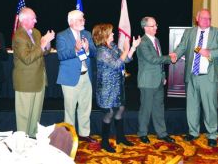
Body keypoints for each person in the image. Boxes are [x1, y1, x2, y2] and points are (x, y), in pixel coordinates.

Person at [171, 9, 218, 147]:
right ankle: (193, 132)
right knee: (192, 106)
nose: (207, 21)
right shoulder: (189, 32)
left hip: (208, 77)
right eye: (204, 18)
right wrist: (174, 55)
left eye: (209, 18)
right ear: (197, 18)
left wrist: (210, 52)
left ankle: (212, 135)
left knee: (210, 107)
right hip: (191, 75)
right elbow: (182, 47)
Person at [92, 23, 141, 152]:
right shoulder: (101, 51)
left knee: (121, 108)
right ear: (104, 35)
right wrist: (125, 50)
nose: (113, 34)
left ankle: (120, 137)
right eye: (111, 32)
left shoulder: (112, 46)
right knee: (110, 112)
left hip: (118, 84)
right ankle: (104, 142)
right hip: (106, 87)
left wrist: (133, 48)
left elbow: (126, 60)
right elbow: (116, 64)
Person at [12, 7, 55, 137]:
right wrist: (42, 44)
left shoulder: (36, 32)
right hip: (26, 81)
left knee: (35, 115)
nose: (36, 20)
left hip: (39, 79)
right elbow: (27, 58)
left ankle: (32, 139)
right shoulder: (19, 36)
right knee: (24, 116)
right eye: (33, 18)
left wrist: (47, 44)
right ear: (23, 20)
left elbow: (44, 52)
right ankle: (22, 143)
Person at [56, 10, 97, 143]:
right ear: (71, 22)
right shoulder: (62, 35)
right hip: (69, 78)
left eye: (83, 19)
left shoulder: (87, 34)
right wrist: (75, 49)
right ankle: (70, 136)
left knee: (85, 107)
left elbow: (94, 52)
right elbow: (61, 55)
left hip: (86, 76)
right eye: (80, 19)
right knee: (70, 109)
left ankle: (84, 133)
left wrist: (88, 49)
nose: (83, 21)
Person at [136, 16, 175, 144]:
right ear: (146, 28)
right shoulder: (142, 42)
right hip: (147, 81)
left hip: (158, 80)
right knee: (146, 108)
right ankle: (142, 133)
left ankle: (162, 133)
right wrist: (169, 58)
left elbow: (159, 62)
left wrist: (163, 76)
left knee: (159, 108)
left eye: (156, 25)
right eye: (153, 26)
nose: (156, 27)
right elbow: (152, 59)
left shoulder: (156, 40)